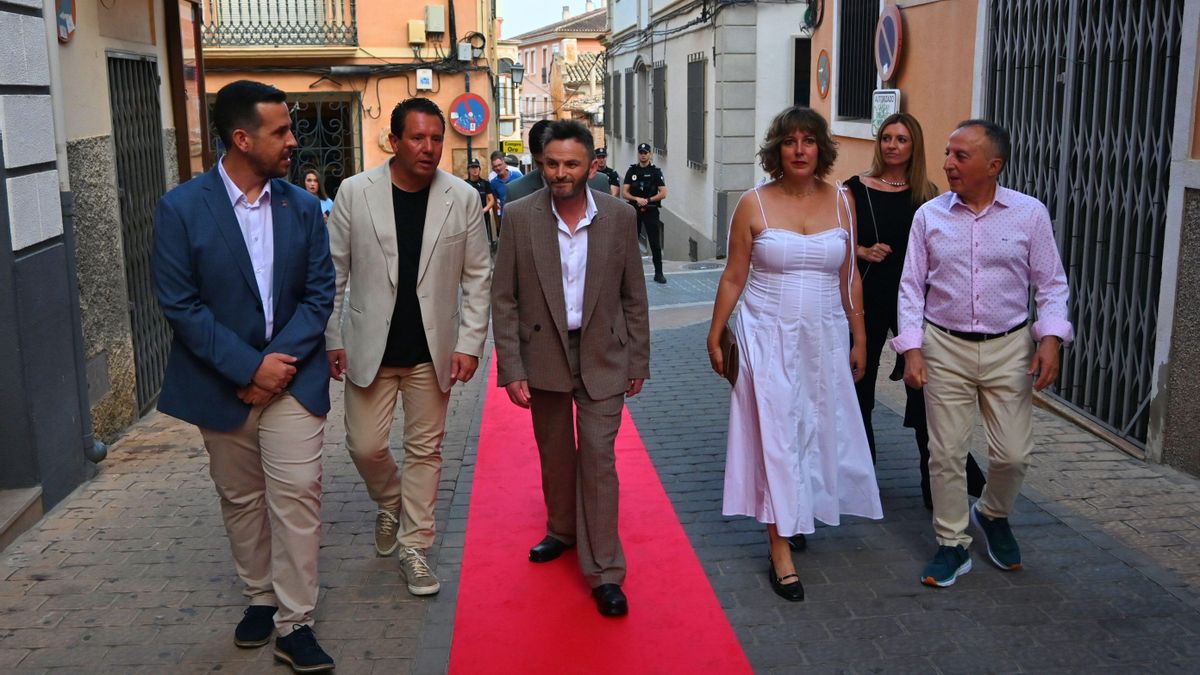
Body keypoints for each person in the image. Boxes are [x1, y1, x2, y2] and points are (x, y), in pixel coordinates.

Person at [152, 80, 336, 673]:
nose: (291, 140)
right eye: (280, 131)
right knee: (240, 498)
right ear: (241, 138)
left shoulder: (303, 207)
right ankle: (260, 596)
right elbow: (180, 305)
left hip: (293, 377)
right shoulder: (181, 208)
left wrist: (273, 368)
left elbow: (318, 295)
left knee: (297, 495)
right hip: (219, 381)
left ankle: (295, 622)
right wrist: (246, 366)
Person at [707, 106, 883, 603]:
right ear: (777, 150)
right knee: (776, 436)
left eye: (809, 141)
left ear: (822, 149)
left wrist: (861, 336)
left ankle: (796, 511)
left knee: (813, 428)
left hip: (825, 338)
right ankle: (779, 547)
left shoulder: (844, 202)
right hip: (766, 334)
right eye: (790, 141)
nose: (800, 149)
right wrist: (716, 333)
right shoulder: (753, 204)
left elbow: (849, 275)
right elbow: (735, 276)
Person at [894, 120, 1073, 588]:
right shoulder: (929, 216)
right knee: (946, 452)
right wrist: (912, 349)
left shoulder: (1029, 214)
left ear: (993, 166)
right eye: (948, 153)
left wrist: (1050, 337)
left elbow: (1050, 283)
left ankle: (993, 513)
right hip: (944, 346)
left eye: (961, 156)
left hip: (1010, 346)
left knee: (1013, 455)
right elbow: (911, 288)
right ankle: (952, 543)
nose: (948, 164)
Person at [324, 97, 492, 597]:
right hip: (367, 347)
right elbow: (333, 272)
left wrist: (470, 343)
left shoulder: (460, 197)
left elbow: (479, 275)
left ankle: (414, 547)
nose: (429, 148)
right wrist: (332, 335)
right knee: (365, 445)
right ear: (393, 141)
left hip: (432, 349)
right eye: (417, 138)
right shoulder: (355, 192)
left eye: (436, 138)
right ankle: (391, 502)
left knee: (426, 450)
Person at [491, 120, 650, 618]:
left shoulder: (620, 217)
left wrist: (638, 359)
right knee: (556, 454)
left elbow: (634, 297)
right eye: (552, 164)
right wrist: (511, 366)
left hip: (604, 352)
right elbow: (505, 299)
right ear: (542, 164)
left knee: (599, 459)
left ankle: (605, 571)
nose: (560, 173)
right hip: (545, 354)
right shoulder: (519, 216)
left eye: (571, 164)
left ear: (591, 166)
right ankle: (562, 529)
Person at [845, 113, 986, 509]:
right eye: (887, 138)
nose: (892, 145)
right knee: (860, 390)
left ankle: (937, 484)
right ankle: (860, 478)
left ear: (914, 146)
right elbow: (837, 240)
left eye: (901, 139)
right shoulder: (855, 188)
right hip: (868, 295)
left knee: (925, 391)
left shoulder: (929, 194)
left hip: (917, 300)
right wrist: (861, 250)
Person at [505, 120, 612, 203]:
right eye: (540, 163)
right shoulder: (516, 192)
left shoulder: (599, 182)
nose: (545, 171)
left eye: (552, 163)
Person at [622, 143, 668, 283]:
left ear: (650, 154)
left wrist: (648, 200)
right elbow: (625, 192)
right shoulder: (632, 171)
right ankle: (629, 274)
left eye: (646, 152)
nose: (643, 155)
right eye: (641, 152)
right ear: (638, 154)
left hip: (651, 210)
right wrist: (637, 199)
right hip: (634, 210)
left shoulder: (656, 172)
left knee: (654, 243)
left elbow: (663, 193)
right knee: (630, 243)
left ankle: (659, 273)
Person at [464, 157, 497, 248]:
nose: (475, 170)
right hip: (469, 216)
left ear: (479, 169)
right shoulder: (464, 184)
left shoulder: (485, 183)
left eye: (476, 167)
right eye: (472, 167)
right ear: (468, 170)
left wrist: (483, 210)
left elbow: (491, 200)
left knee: (483, 239)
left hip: (483, 216)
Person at [490, 149, 523, 234]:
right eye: (495, 166)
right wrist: (498, 224)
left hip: (520, 217)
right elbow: (495, 205)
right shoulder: (493, 183)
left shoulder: (517, 176)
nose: (498, 168)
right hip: (506, 219)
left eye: (499, 165)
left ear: (505, 163)